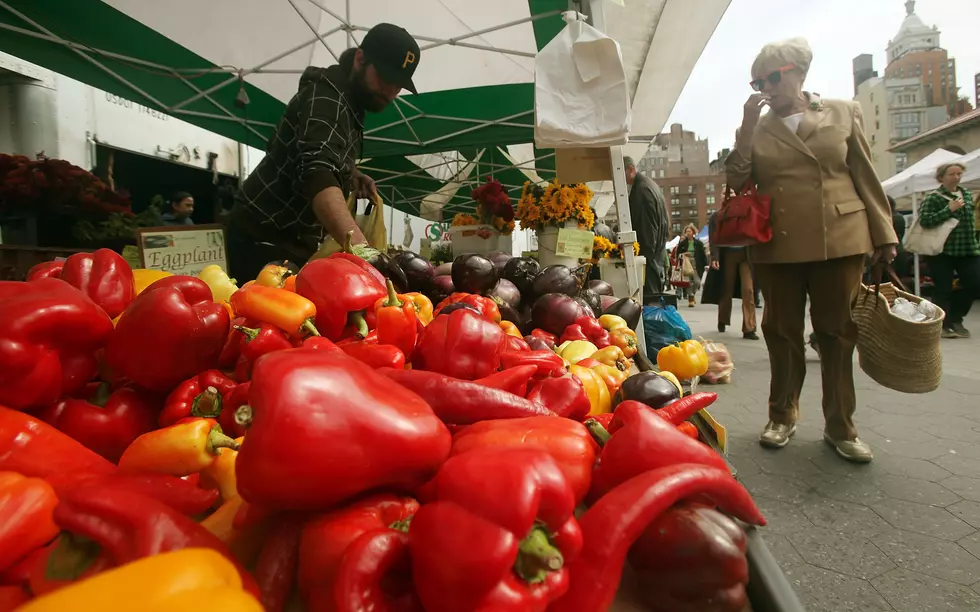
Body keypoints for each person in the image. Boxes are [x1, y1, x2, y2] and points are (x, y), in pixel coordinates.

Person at [727, 38, 897, 463]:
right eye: (758, 80)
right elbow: (735, 180)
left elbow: (864, 173)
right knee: (781, 332)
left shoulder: (842, 111)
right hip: (776, 242)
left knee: (837, 334)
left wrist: (885, 233)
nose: (766, 86)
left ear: (800, 72)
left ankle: (841, 426)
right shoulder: (756, 127)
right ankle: (781, 415)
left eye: (774, 76)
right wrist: (747, 128)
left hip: (839, 236)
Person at [227, 23, 420, 281]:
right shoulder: (326, 97)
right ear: (360, 59)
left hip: (288, 241)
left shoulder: (351, 100)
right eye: (385, 79)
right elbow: (318, 171)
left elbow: (316, 149)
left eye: (399, 85)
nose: (390, 92)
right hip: (261, 238)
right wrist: (365, 255)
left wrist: (351, 173)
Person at [918, 162, 979, 339]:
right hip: (942, 250)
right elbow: (926, 221)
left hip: (967, 248)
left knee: (975, 283)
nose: (956, 177)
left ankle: (956, 318)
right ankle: (943, 325)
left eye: (959, 173)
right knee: (942, 288)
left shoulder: (966, 194)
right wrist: (948, 210)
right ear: (941, 177)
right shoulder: (933, 198)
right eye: (952, 174)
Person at [705, 211, 759, 339]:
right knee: (726, 289)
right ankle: (723, 319)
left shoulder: (746, 213)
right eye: (725, 193)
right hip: (727, 254)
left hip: (746, 255)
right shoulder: (717, 216)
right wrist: (714, 257)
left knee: (748, 290)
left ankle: (749, 328)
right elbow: (713, 238)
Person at [624, 156, 670, 303]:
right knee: (653, 306)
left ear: (630, 169)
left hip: (649, 262)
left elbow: (647, 230)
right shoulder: (649, 185)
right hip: (656, 259)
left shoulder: (641, 190)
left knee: (649, 307)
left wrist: (643, 258)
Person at [671, 224, 707, 307]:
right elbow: (678, 254)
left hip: (696, 263)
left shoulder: (698, 243)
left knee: (697, 282)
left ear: (693, 232)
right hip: (685, 263)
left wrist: (705, 265)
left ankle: (692, 294)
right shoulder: (682, 243)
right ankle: (690, 297)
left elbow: (703, 255)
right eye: (686, 231)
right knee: (688, 282)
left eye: (689, 231)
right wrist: (684, 254)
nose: (688, 233)